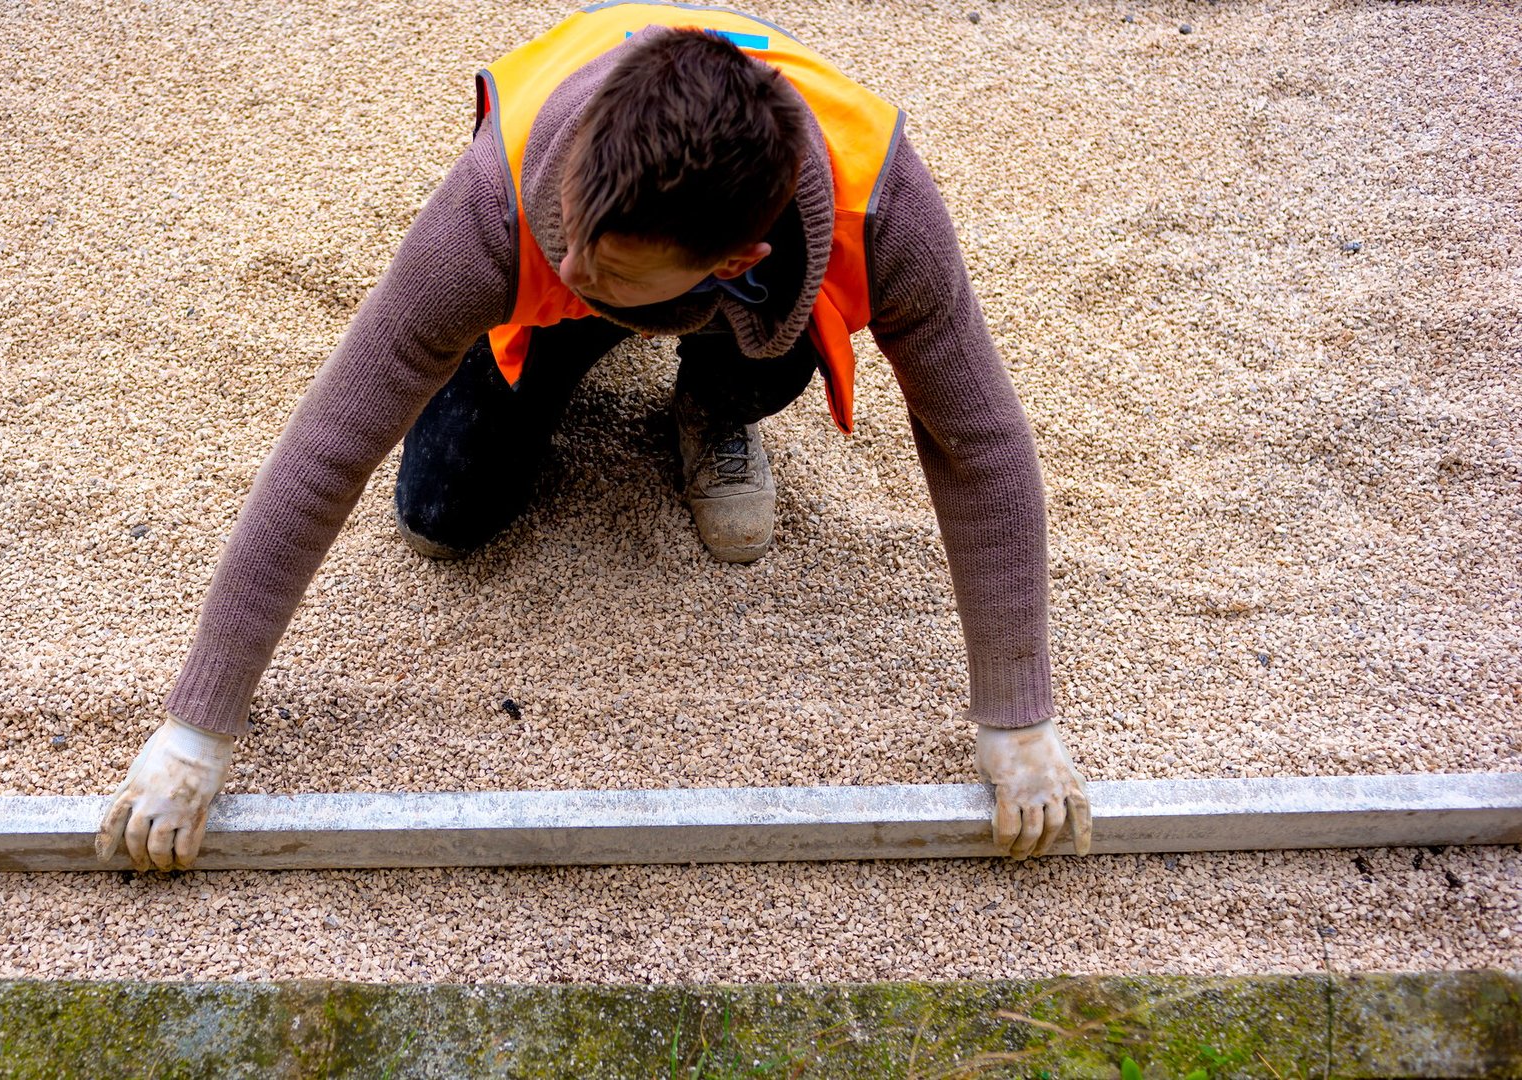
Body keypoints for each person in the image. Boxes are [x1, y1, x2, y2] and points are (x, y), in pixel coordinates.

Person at [95, 1, 1091, 872]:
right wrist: (195, 732)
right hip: (563, 297)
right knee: (440, 513)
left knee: (778, 345)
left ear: (733, 257)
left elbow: (980, 447)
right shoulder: (502, 203)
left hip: (745, 310)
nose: (570, 262)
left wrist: (1017, 722)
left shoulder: (884, 210)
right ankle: (568, 357)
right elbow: (329, 443)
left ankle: (710, 403)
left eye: (601, 269)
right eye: (567, 235)